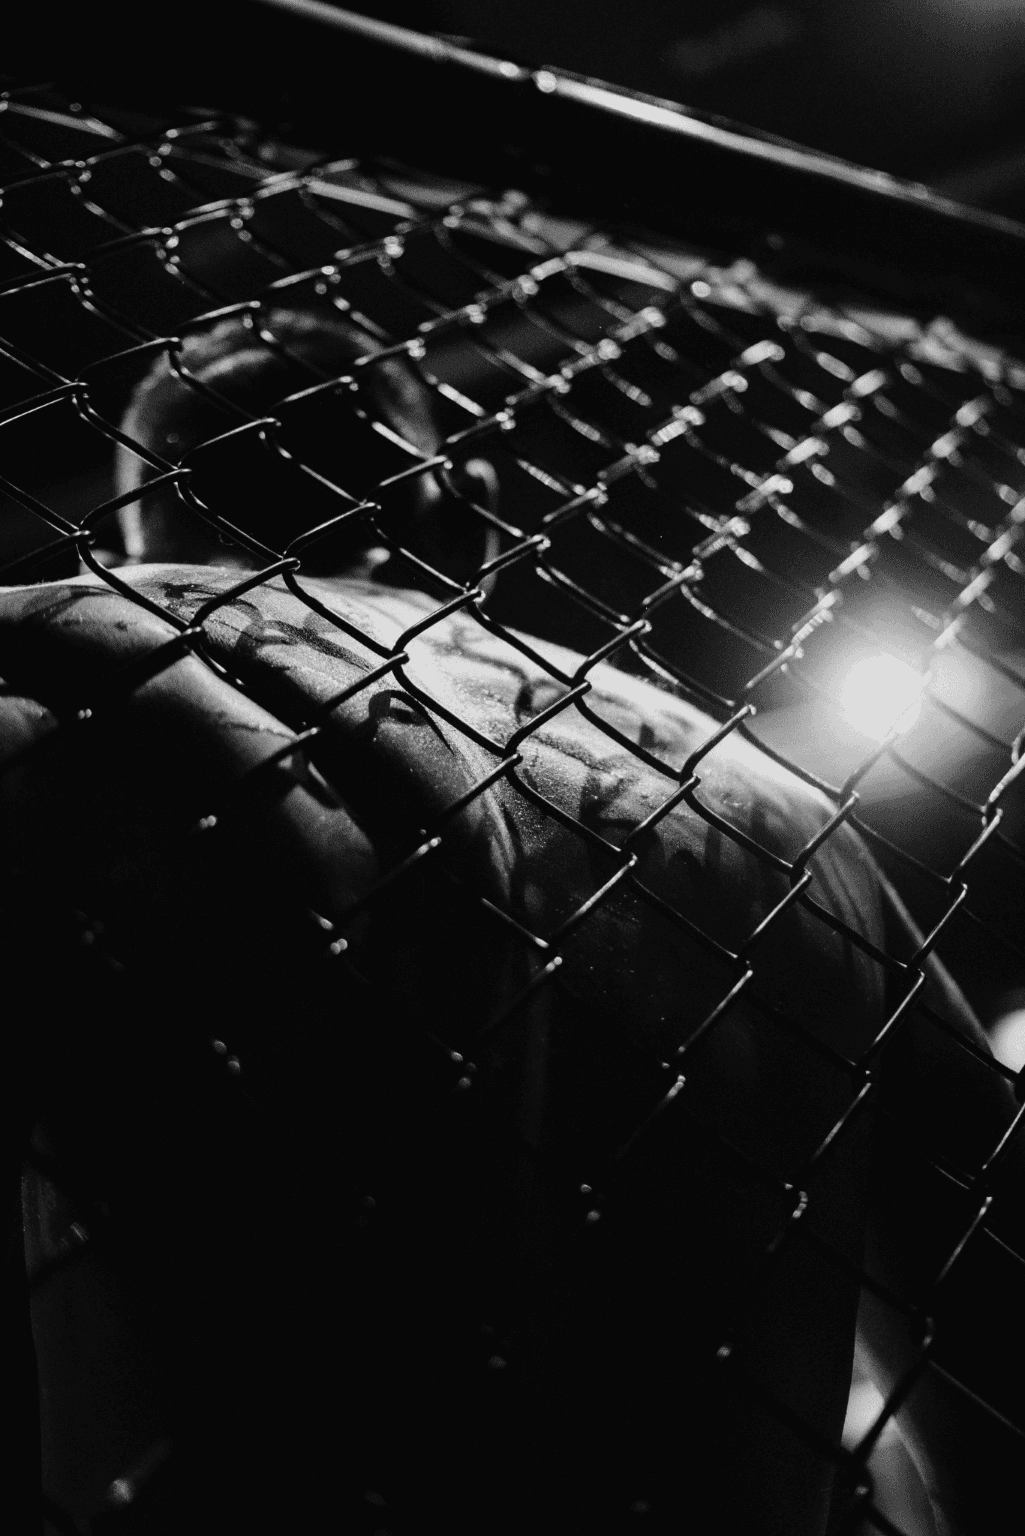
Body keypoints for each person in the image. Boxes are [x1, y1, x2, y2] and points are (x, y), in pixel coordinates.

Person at [3, 309, 1022, 1536]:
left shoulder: (65, 661)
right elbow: (989, 1353)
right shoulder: (779, 816)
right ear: (470, 508)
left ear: (134, 527)